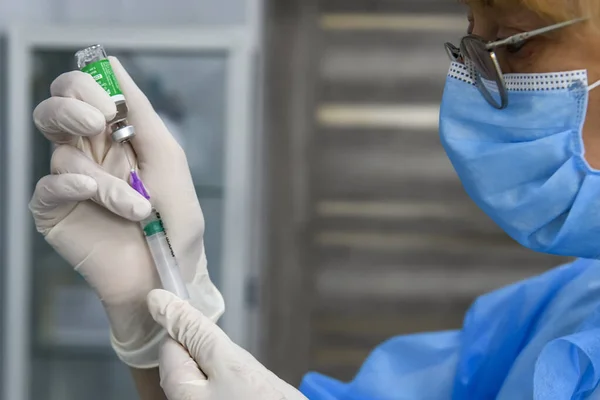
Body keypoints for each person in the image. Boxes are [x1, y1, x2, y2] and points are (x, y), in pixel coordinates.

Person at [28, 0, 600, 398]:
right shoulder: (561, 310)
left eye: (514, 43)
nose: (475, 81)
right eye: (473, 38)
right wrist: (158, 323)